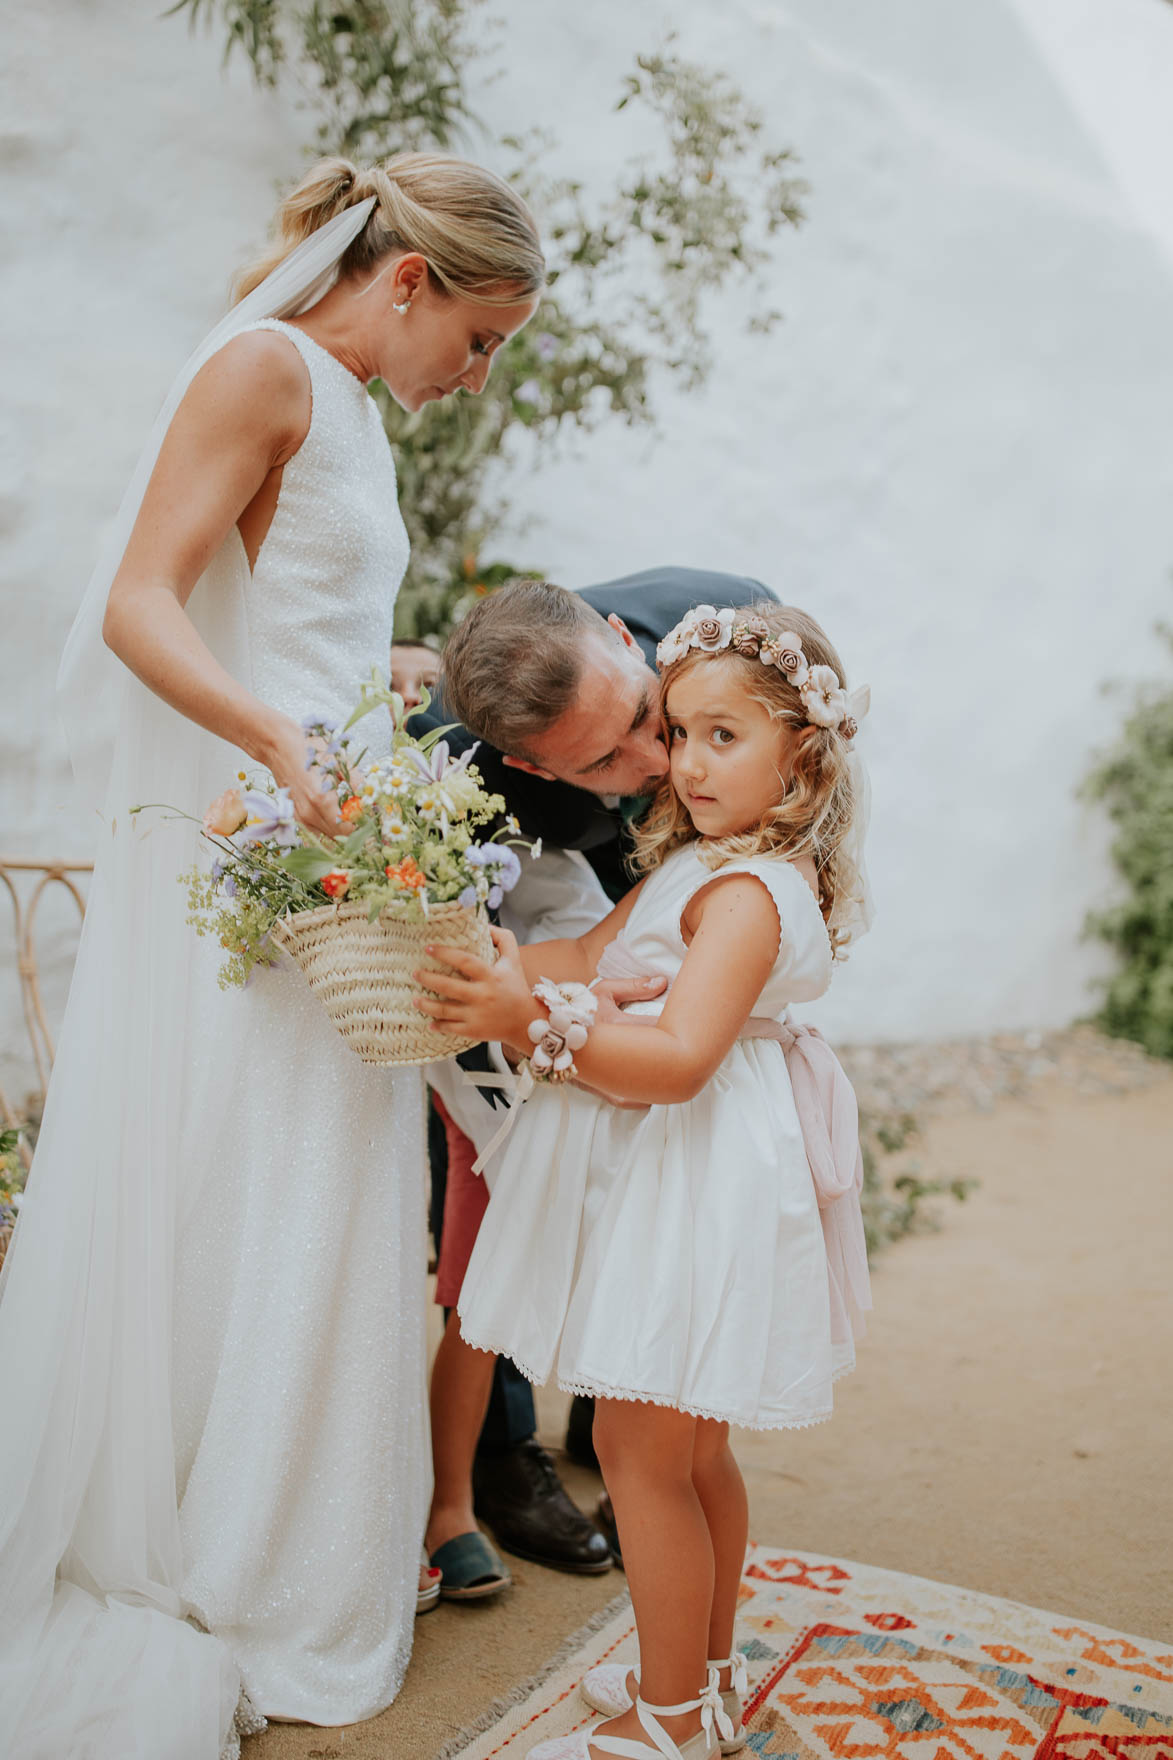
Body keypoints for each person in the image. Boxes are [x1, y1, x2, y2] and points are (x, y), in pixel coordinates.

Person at [0, 153, 542, 1759]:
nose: (482, 371)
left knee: (316, 1202)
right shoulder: (262, 365)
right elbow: (140, 607)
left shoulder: (351, 405)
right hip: (265, 857)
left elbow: (267, 610)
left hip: (331, 855)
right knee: (258, 1193)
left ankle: (284, 1547)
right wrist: (288, 742)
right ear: (407, 282)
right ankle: (218, 1561)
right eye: (486, 336)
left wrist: (369, 674)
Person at [418, 600, 873, 1760]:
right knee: (686, 1451)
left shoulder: (747, 895)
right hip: (682, 1181)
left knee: (637, 1451)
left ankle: (670, 1716)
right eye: (679, 731)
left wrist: (531, 1023)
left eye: (727, 736)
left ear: (804, 752)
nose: (684, 759)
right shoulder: (698, 866)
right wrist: (497, 958)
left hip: (701, 1187)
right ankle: (703, 1678)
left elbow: (674, 1062)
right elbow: (590, 957)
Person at [420, 571, 779, 1584]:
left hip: (677, 922)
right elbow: (510, 964)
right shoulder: (467, 780)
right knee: (489, 1221)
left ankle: (632, 1441)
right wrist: (513, 1002)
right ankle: (493, 1465)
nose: (655, 760)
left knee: (658, 1194)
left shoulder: (729, 628)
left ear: (628, 638)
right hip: (562, 953)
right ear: (534, 765)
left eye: (642, 718)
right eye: (606, 762)